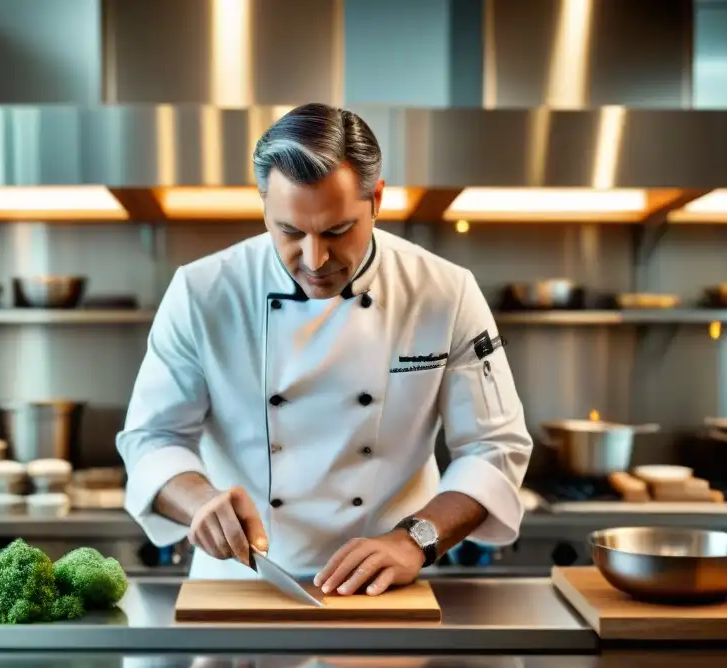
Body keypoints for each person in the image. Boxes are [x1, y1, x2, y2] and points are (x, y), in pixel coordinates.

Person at [117, 102, 532, 593]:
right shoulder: (203, 291)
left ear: (376, 200)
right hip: (240, 583)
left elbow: (494, 448)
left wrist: (413, 541)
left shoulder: (444, 292)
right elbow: (153, 438)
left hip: (388, 587)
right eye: (290, 231)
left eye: (337, 230)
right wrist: (199, 502)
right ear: (264, 205)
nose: (315, 259)